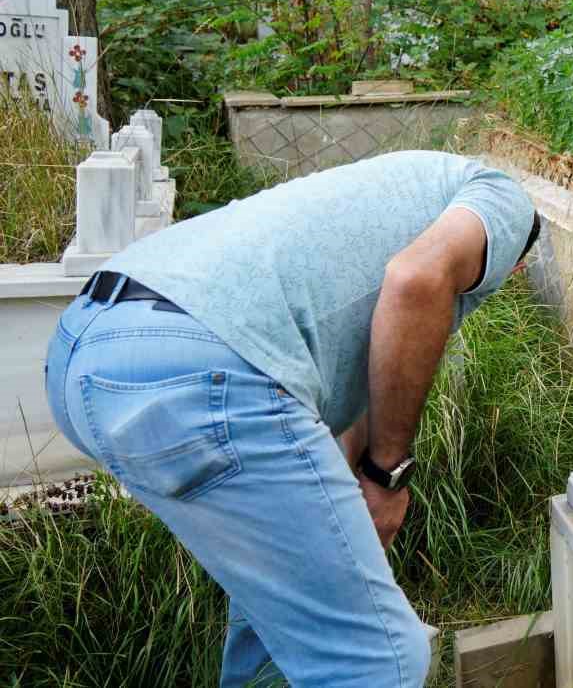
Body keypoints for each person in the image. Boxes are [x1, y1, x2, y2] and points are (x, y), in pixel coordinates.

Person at [44, 150, 538, 688]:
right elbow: (416, 282)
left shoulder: (400, 189)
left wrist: (354, 491)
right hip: (203, 370)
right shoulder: (504, 199)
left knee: (276, 638)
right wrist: (386, 476)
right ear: (515, 262)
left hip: (88, 350)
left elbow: (352, 386)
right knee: (377, 660)